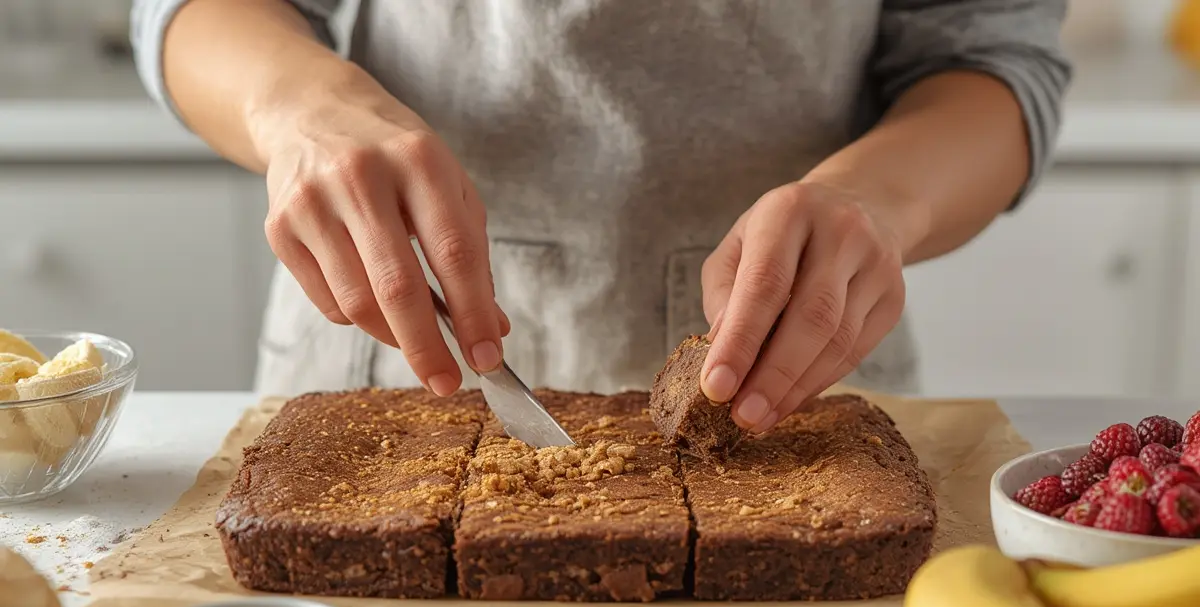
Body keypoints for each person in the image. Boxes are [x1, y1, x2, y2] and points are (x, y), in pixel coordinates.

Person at [131, 0, 1069, 433]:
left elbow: (994, 58)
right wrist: (298, 107)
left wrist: (879, 199)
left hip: (797, 369)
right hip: (385, 350)